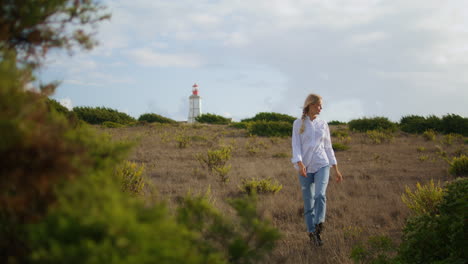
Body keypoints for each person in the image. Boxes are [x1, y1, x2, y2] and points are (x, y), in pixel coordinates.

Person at [291, 93, 343, 247]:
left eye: (321, 106)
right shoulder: (297, 123)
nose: (321, 108)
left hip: (322, 164)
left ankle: (319, 225)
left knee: (320, 195)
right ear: (310, 105)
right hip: (305, 168)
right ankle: (312, 234)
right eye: (319, 105)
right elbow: (296, 146)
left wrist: (336, 169)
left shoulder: (323, 124)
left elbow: (328, 147)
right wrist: (300, 165)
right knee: (308, 202)